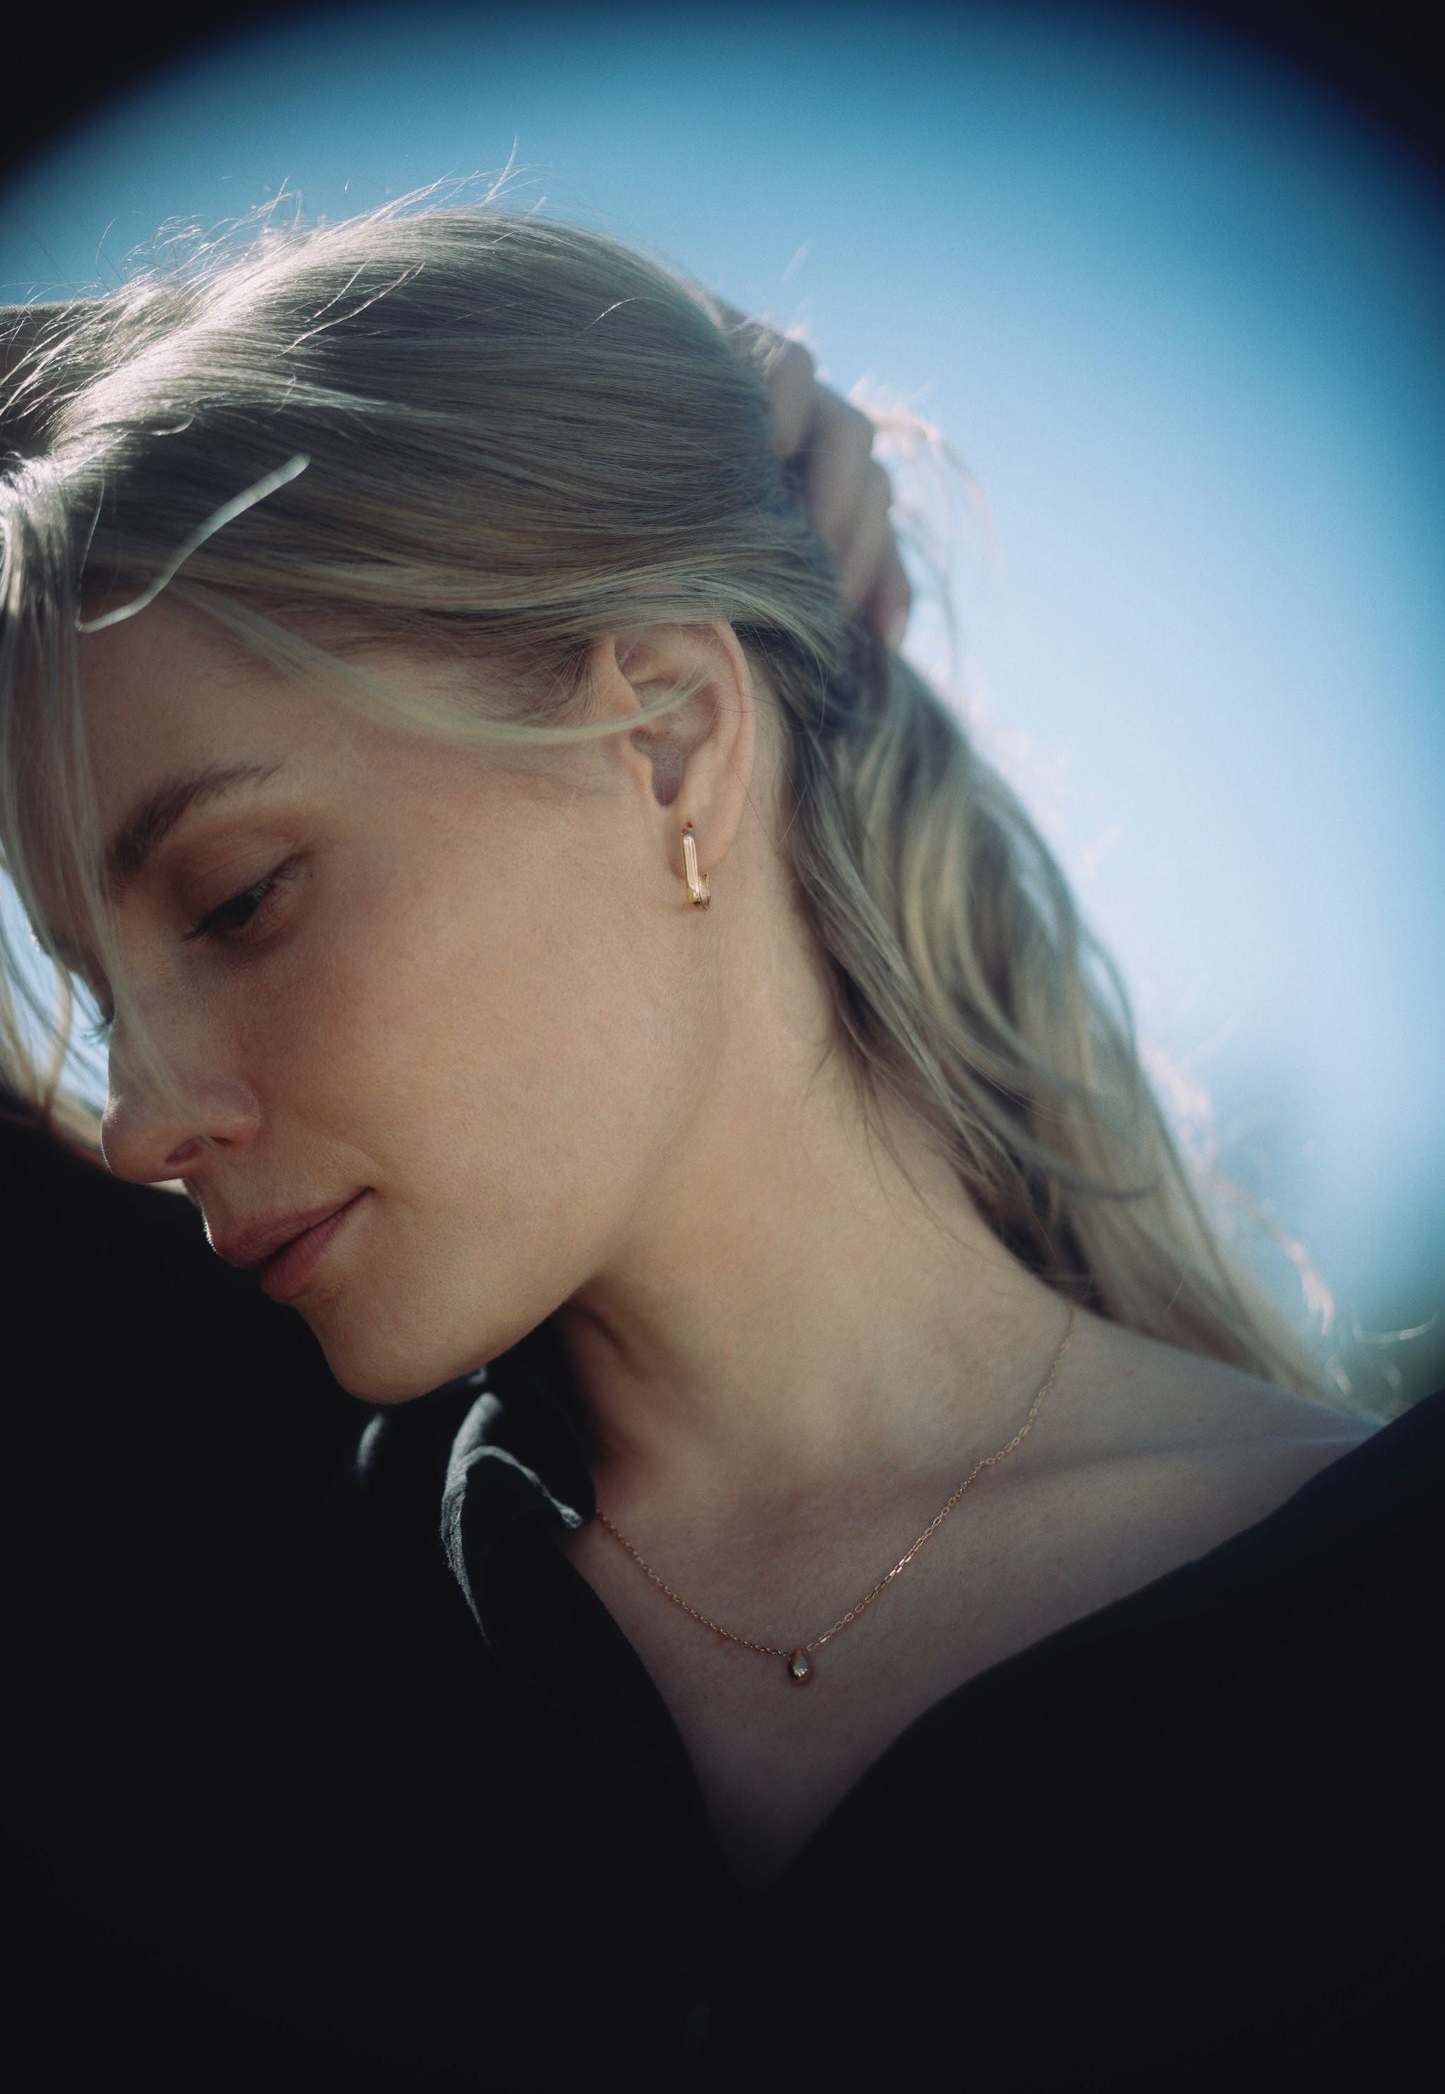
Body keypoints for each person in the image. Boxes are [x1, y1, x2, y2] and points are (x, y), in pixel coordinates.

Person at [0, 192, 1440, 2091]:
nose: (132, 1121)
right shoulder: (210, 1624)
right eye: (94, 996)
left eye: (239, 898)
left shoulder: (1383, 1631)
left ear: (671, 737)